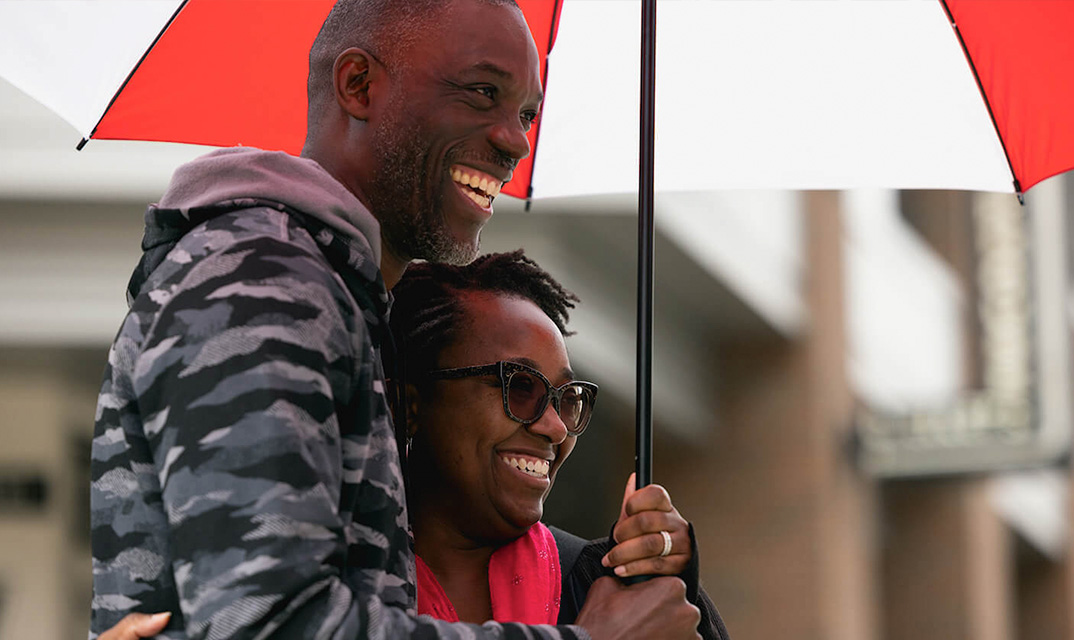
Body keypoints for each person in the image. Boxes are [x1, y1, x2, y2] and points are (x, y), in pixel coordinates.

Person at [89, 0, 705, 638]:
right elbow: (268, 623)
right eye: (481, 92)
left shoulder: (330, 291)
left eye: (524, 112)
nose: (514, 140)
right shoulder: (262, 277)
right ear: (358, 85)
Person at [100, 252, 732, 639]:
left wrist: (681, 595)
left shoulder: (605, 588)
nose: (554, 426)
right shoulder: (327, 598)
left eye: (567, 398)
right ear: (409, 404)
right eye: (519, 387)